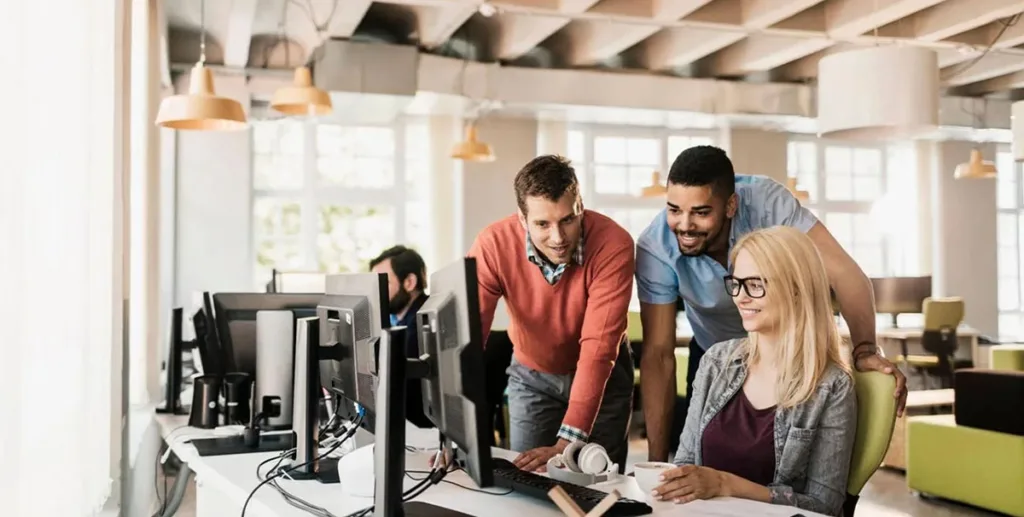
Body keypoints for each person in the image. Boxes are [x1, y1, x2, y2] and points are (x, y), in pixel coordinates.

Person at [636, 145, 906, 462]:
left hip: (791, 352)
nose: (684, 225)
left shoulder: (766, 203)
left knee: (790, 466)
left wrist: (864, 349)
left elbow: (845, 274)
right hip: (715, 355)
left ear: (731, 205)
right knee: (706, 462)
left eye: (701, 212)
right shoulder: (656, 246)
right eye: (674, 210)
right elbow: (658, 355)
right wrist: (656, 463)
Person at [651, 226, 856, 517]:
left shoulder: (832, 387)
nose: (740, 298)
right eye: (736, 283)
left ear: (797, 290)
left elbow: (824, 506)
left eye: (756, 285)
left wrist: (725, 484)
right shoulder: (715, 362)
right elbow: (685, 465)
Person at [467, 154, 636, 472]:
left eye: (568, 220)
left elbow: (598, 347)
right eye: (542, 224)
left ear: (580, 206)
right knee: (528, 482)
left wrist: (566, 443)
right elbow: (468, 340)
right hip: (532, 377)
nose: (558, 238)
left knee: (599, 485)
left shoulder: (614, 244)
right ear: (521, 218)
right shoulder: (493, 245)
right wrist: (453, 436)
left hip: (605, 379)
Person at [370, 245, 432, 428]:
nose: (377, 293)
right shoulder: (396, 320)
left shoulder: (423, 322)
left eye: (384, 284)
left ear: (409, 282)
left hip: (418, 429)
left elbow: (400, 385)